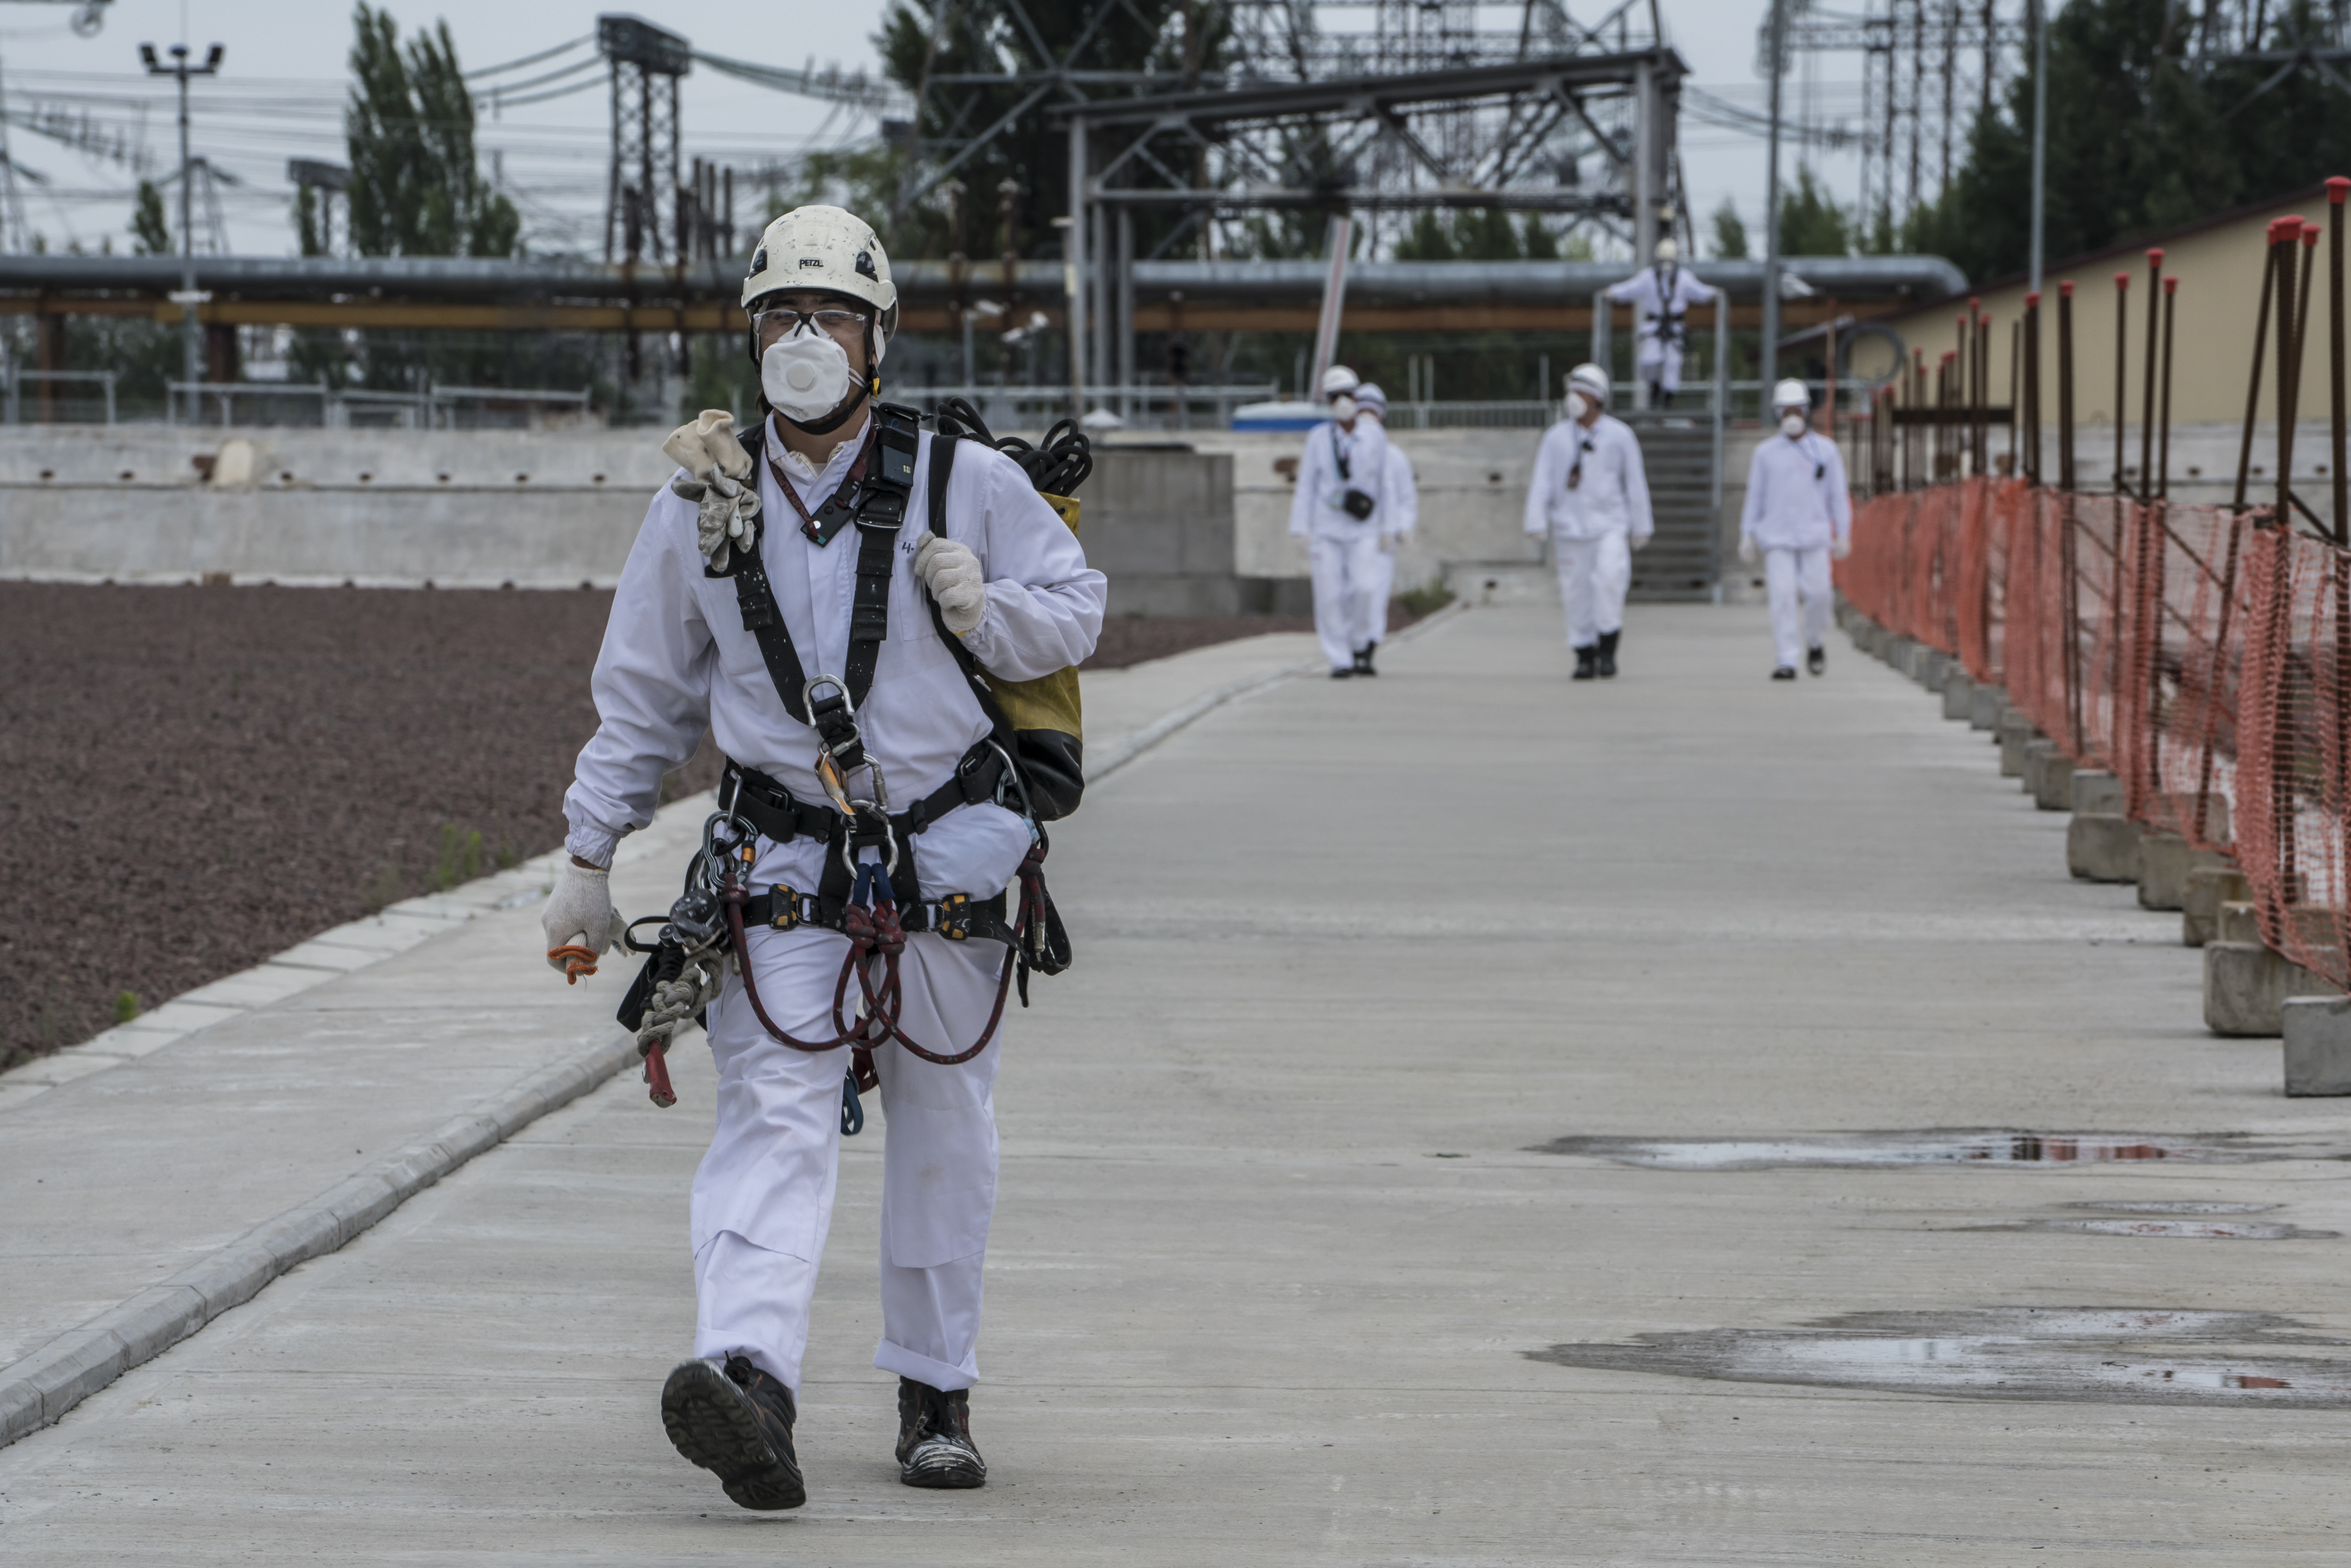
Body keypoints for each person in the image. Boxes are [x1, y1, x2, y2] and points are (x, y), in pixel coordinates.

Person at [540, 204, 1106, 1509]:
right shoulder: (697, 503)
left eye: (831, 317)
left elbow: (1076, 607)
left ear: (878, 337)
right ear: (752, 341)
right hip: (782, 860)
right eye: (782, 318)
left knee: (943, 1123)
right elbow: (643, 699)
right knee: (774, 1112)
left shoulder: (965, 479)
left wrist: (990, 604)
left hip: (951, 853)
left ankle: (933, 1392)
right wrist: (586, 851)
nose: (807, 339)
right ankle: (750, 1381)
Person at [1525, 363, 1652, 679]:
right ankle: (1584, 654)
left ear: (1596, 397)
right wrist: (1536, 520)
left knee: (1609, 583)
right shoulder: (1555, 438)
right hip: (1570, 528)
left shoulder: (1620, 436)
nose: (1574, 398)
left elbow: (1634, 481)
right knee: (1575, 593)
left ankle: (1608, 650)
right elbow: (1542, 480)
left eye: (1580, 392)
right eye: (1571, 391)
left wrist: (1641, 525)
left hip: (1610, 525)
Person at [1740, 377, 1852, 680]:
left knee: (1819, 594)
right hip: (1776, 536)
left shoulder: (1826, 451)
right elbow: (1755, 495)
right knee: (1783, 596)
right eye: (1786, 410)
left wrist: (1843, 533)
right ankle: (1786, 659)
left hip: (1814, 535)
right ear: (1778, 413)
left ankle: (1815, 642)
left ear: (1806, 411)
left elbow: (1837, 495)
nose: (1791, 416)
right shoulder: (1765, 453)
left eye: (1796, 410)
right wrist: (1747, 533)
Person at [1288, 363, 1393, 678]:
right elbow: (1306, 483)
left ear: (1357, 396)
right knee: (1330, 596)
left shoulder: (1374, 435)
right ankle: (1340, 658)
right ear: (1328, 401)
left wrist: (1389, 526)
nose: (1343, 402)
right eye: (1335, 397)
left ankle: (1360, 642)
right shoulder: (1318, 438)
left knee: (1364, 588)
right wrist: (1300, 527)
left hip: (1363, 528)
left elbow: (1385, 482)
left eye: (1347, 395)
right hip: (1327, 528)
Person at [1345, 383, 1417, 675]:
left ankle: (1367, 650)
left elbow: (1406, 497)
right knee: (1351, 593)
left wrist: (1402, 527)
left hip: (1382, 541)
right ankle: (1350, 647)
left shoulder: (1396, 457)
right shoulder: (1344, 453)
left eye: (1371, 413)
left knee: (1374, 596)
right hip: (1349, 536)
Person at [1605, 239, 1720, 409]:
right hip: (1653, 326)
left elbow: (1699, 292)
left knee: (1672, 364)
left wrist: (1714, 293)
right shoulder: (1648, 277)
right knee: (1649, 360)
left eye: (1670, 260)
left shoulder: (1684, 278)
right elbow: (1630, 289)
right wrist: (1613, 292)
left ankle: (1667, 398)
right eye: (1664, 260)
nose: (1667, 264)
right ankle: (1655, 388)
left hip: (1675, 328)